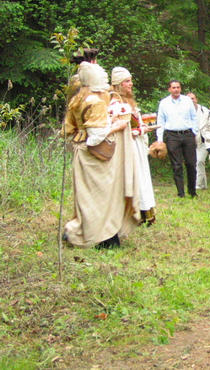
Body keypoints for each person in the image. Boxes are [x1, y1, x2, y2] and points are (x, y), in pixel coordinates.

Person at [63, 62, 140, 248]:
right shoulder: (95, 102)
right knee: (101, 197)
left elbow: (66, 130)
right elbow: (95, 138)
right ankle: (103, 238)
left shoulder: (78, 99)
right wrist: (115, 125)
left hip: (81, 153)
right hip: (95, 157)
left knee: (87, 196)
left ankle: (83, 231)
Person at [110, 67, 156, 225]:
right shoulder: (115, 103)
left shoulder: (127, 101)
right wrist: (139, 130)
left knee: (141, 176)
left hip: (135, 145)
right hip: (126, 147)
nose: (131, 84)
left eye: (130, 80)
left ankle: (145, 212)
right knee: (132, 178)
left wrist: (142, 128)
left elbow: (134, 123)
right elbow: (117, 127)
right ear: (119, 84)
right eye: (127, 81)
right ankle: (134, 214)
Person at [156, 80, 198, 198]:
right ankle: (181, 192)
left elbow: (194, 117)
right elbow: (161, 121)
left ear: (180, 88)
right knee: (176, 165)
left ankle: (192, 190)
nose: (176, 89)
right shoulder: (164, 103)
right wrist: (160, 138)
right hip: (172, 136)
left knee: (191, 163)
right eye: (173, 87)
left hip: (187, 134)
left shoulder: (187, 101)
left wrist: (194, 132)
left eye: (178, 87)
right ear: (169, 89)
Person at [188, 92, 210, 191]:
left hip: (204, 140)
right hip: (191, 141)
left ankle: (197, 184)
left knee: (200, 161)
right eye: (189, 99)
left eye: (193, 98)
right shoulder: (184, 112)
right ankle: (203, 184)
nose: (191, 101)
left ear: (196, 99)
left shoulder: (204, 110)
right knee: (196, 162)